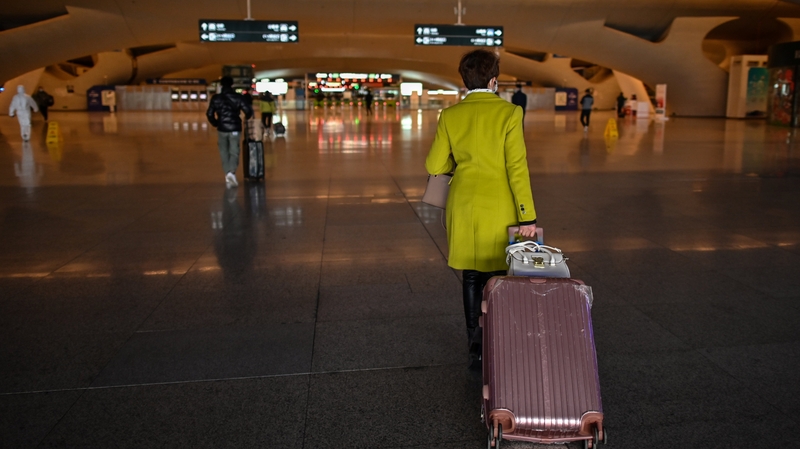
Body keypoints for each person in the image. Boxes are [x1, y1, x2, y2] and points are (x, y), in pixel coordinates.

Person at [425, 49, 537, 370]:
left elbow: (434, 164)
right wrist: (526, 215)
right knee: (498, 275)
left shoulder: (450, 116)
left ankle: (474, 343)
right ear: (494, 80)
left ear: (464, 80)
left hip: (462, 206)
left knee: (471, 275)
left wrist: (457, 162)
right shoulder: (509, 113)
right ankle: (497, 339)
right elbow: (517, 168)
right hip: (499, 207)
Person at [206, 76, 253, 188]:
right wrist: (246, 117)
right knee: (234, 151)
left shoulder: (216, 98)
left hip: (222, 129)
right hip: (235, 128)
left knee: (223, 151)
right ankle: (231, 172)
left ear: (221, 85)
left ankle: (228, 173)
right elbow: (248, 111)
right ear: (232, 84)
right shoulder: (238, 97)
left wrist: (216, 123)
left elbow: (209, 114)